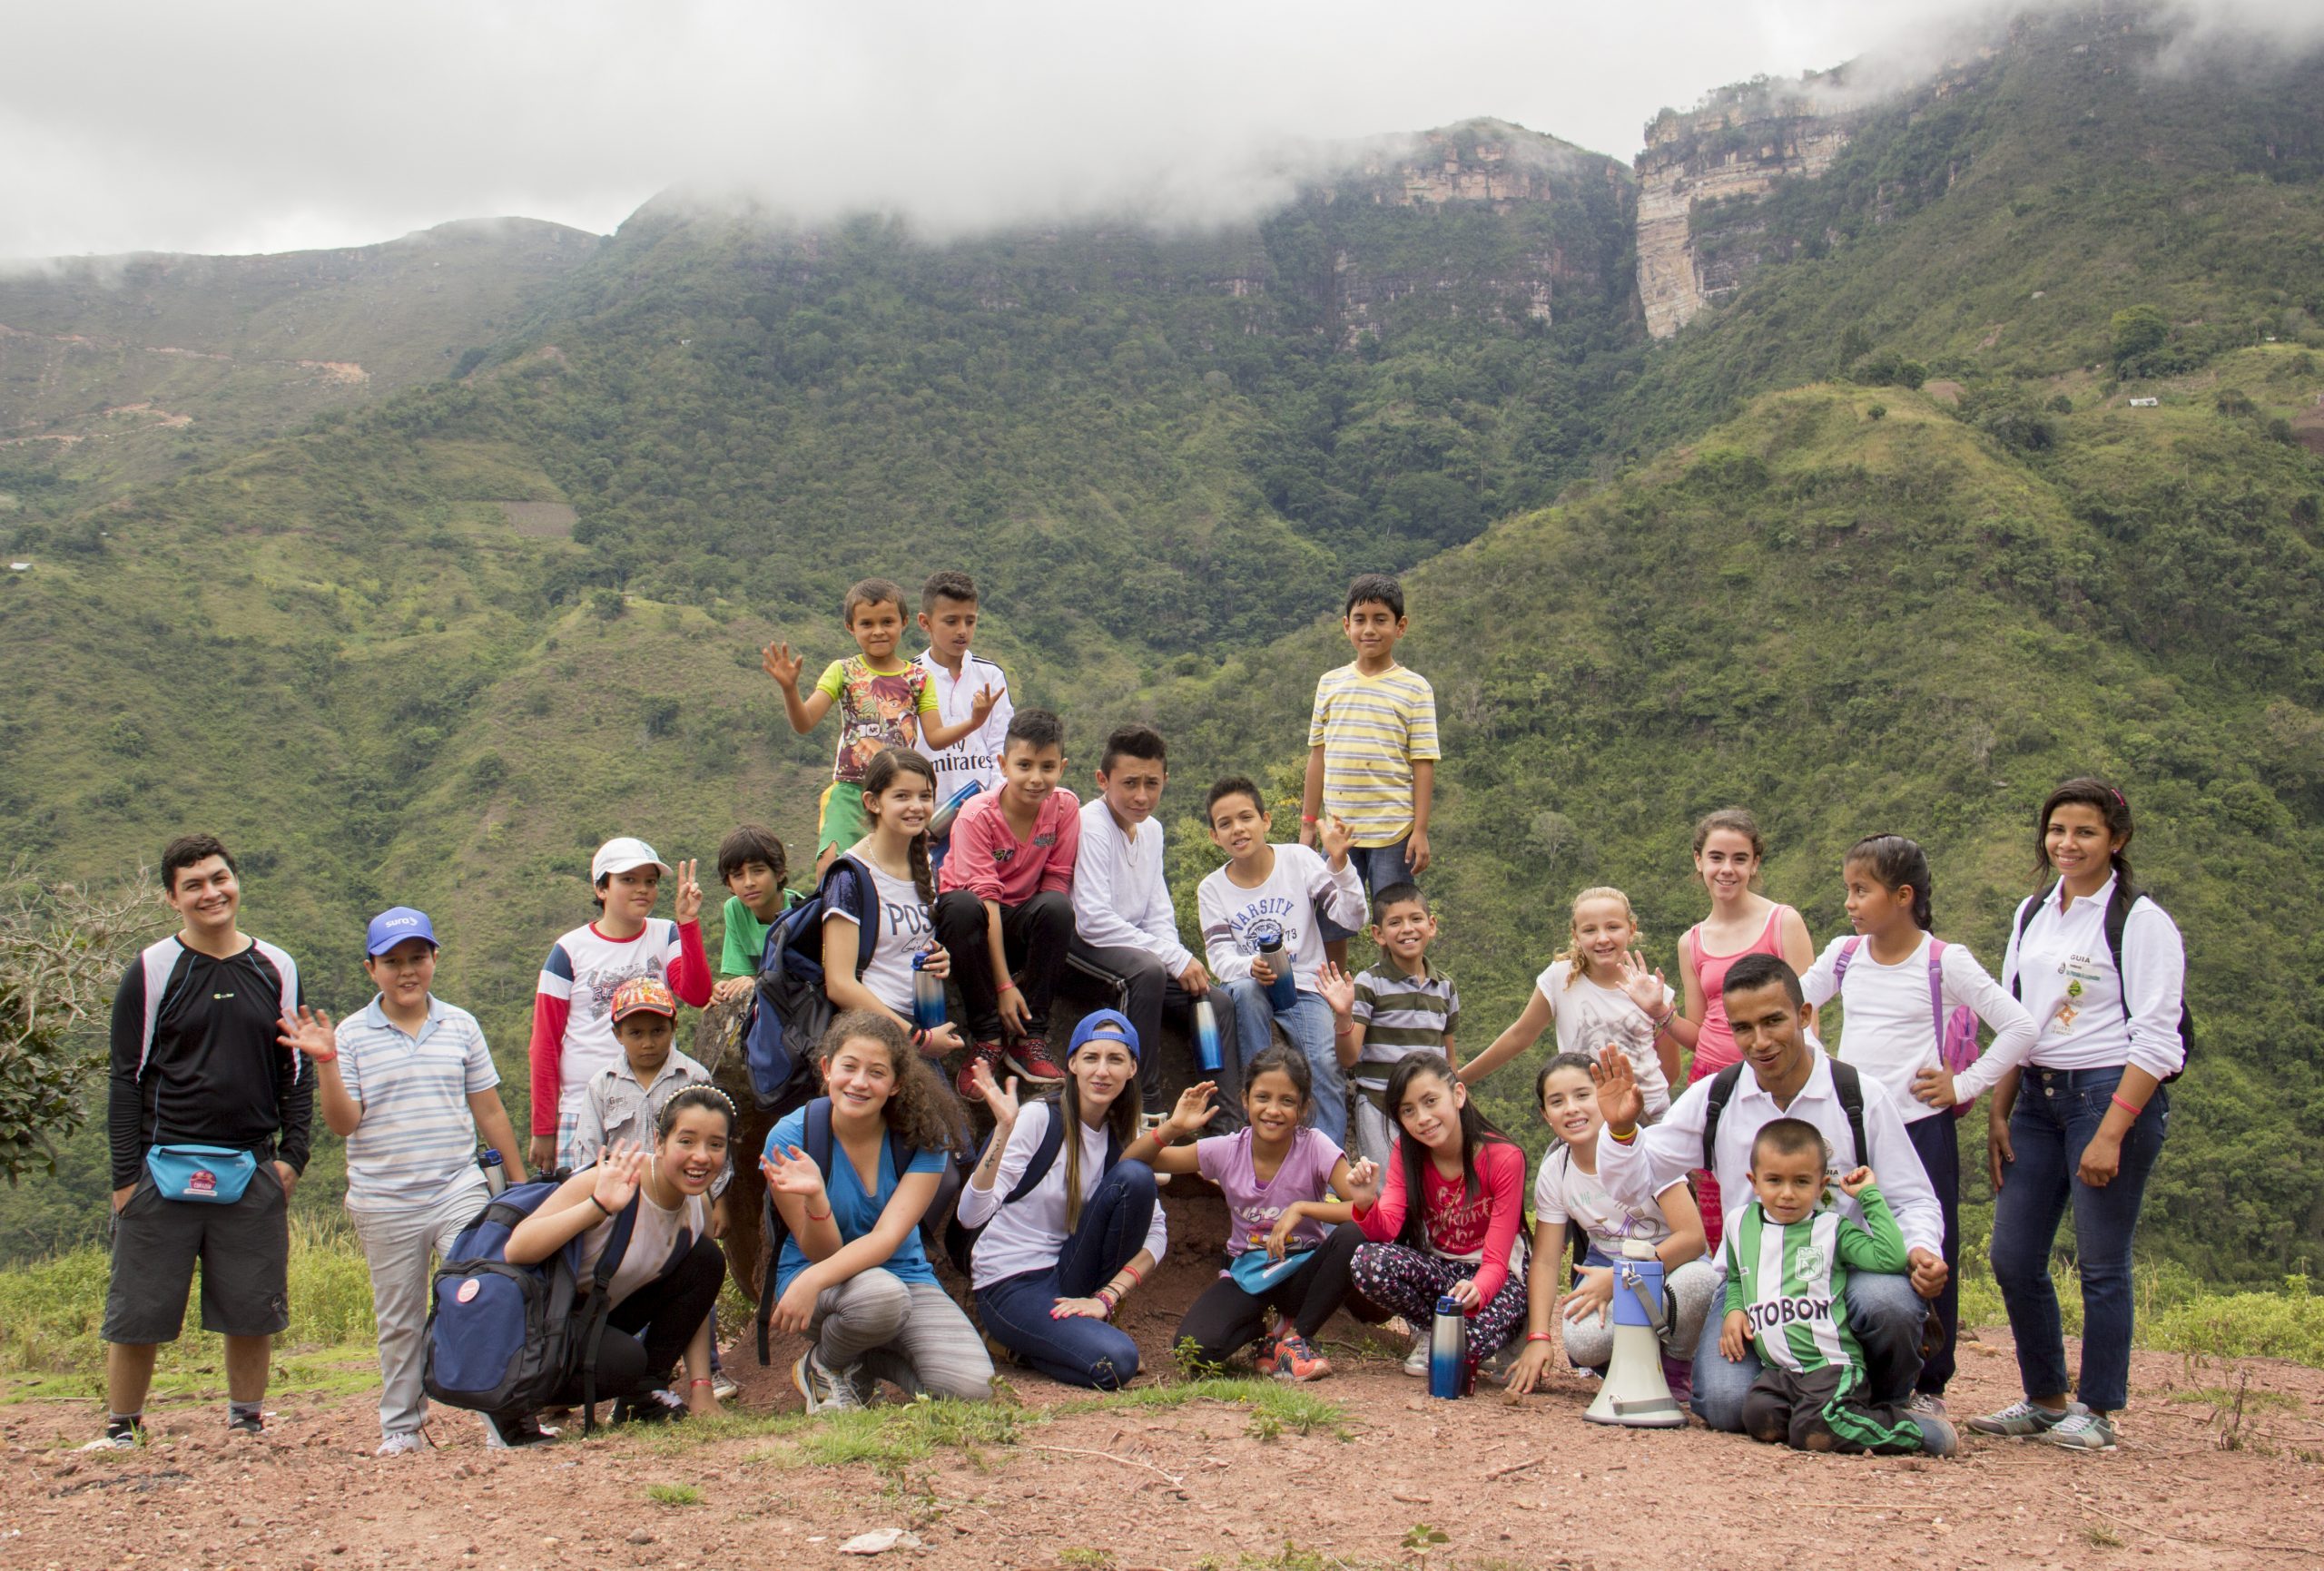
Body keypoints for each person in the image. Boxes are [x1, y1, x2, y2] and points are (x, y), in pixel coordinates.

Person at [1591, 953, 1947, 1435]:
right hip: (1752, 1287)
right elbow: (1633, 1183)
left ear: (1803, 1016)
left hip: (1844, 1275)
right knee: (1722, 1404)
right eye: (1743, 1028)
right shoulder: (1717, 1098)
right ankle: (1819, 1396)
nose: (1759, 1042)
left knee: (1890, 1303)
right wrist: (1621, 1130)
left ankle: (1884, 1399)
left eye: (1773, 1021)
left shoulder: (1857, 1097)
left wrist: (1922, 1247)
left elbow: (1913, 1199)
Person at [1972, 780, 2186, 1453]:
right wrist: (1999, 1112)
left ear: (2116, 840)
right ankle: (2044, 1396)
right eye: (2057, 829)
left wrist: (2113, 1131)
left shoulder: (2139, 919)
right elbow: (2015, 1018)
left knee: (2100, 1260)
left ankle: (2096, 1406)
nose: (2067, 843)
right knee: (2013, 1254)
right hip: (2036, 1098)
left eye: (2085, 831)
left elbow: (2159, 1039)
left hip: (2107, 1094)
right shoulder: (2033, 910)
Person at [275, 907, 527, 1456]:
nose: (407, 971)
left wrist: (515, 1187)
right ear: (372, 970)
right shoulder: (351, 1036)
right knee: (400, 1318)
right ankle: (402, 1428)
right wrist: (326, 1064)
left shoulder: (460, 1024)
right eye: (393, 962)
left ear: (435, 958)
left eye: (417, 958)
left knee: (480, 1299)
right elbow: (345, 1124)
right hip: (384, 1200)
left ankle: (498, 1420)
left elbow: (489, 1110)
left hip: (456, 1187)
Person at [91, 834, 313, 1450]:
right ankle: (122, 1427)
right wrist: (124, 1179)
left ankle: (246, 1419)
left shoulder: (277, 966)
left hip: (250, 1164)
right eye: (193, 884)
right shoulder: (153, 968)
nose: (210, 892)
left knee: (250, 1305)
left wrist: (291, 1159)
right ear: (173, 898)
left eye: (219, 878)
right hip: (160, 1166)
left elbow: (296, 1070)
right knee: (139, 1309)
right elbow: (125, 1075)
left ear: (236, 881)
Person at [1799, 834, 2036, 1413]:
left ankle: (1929, 1383)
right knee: (1841, 1238)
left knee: (1926, 1247)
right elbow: (1794, 1005)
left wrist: (1965, 1083)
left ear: (1903, 896)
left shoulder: (1942, 961)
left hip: (1919, 1127)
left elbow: (2022, 1028)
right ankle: (1854, 1365)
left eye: (1862, 890)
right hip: (1853, 1127)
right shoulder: (1844, 954)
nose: (1851, 903)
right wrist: (1822, 1064)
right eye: (1848, 890)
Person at [763, 1012, 991, 1411]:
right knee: (881, 1298)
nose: (859, 1082)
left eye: (877, 1072)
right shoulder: (791, 1138)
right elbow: (820, 1254)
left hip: (901, 1276)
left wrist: (814, 1277)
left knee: (972, 1392)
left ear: (896, 1084)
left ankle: (854, 1364)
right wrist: (817, 1199)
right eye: (849, 1067)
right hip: (815, 1284)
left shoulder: (923, 1136)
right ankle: (824, 1363)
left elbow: (887, 1240)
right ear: (827, 1068)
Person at [494, 1087, 734, 1440]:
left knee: (705, 1260)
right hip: (536, 1324)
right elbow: (517, 1249)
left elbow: (696, 1299)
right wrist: (598, 1206)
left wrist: (702, 1388)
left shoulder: (697, 1205)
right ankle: (512, 1400)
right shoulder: (612, 1178)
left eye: (715, 1145)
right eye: (687, 1141)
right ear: (659, 1140)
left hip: (595, 1315)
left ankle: (643, 1398)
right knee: (624, 1361)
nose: (701, 1157)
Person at [1716, 1120, 1958, 1457]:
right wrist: (1733, 1309)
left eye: (1801, 1182)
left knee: (1814, 1432)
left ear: (1821, 1186)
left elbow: (1890, 1258)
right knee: (1760, 1419)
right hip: (1780, 1372)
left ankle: (1917, 1431)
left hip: (1829, 1366)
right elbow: (1735, 1278)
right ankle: (1833, 1419)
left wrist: (1869, 1197)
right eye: (1774, 1181)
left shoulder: (1832, 1229)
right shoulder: (1739, 1224)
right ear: (1754, 1182)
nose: (1787, 1193)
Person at [1127, 1046, 1367, 1380]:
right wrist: (1174, 1127)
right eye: (1263, 1097)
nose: (1273, 1110)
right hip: (1248, 1274)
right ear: (1244, 1100)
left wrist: (1302, 1208)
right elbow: (1136, 1160)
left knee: (1354, 1235)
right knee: (1194, 1350)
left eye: (1287, 1101)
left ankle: (1297, 1339)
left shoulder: (1314, 1146)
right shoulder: (1226, 1150)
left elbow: (1364, 1213)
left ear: (1303, 1107)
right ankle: (1267, 1331)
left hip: (1302, 1274)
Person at [956, 1011, 1166, 1389]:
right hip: (1012, 1282)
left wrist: (1106, 1297)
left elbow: (1156, 1233)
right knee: (1117, 1362)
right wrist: (1002, 1132)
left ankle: (1063, 1337)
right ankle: (1019, 1345)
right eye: (1091, 1058)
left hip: (1073, 1273)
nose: (1102, 1071)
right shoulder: (1038, 1118)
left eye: (1115, 1059)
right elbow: (970, 1216)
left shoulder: (1124, 1135)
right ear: (1071, 1064)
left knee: (1136, 1177)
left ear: (1132, 1068)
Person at [1506, 1054, 1716, 1404]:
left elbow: (1693, 1239)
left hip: (1671, 1263)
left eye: (1583, 1095)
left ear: (1604, 1096)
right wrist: (1539, 1336)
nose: (1571, 1109)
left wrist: (1623, 1275)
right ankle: (1630, 1364)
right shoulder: (1557, 1170)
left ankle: (1677, 1367)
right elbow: (1544, 1260)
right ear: (1545, 1115)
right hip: (1606, 1264)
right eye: (1557, 1102)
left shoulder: (1647, 1149)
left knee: (1700, 1283)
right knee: (1583, 1342)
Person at [763, 576, 996, 878]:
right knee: (832, 868)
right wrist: (790, 690)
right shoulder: (843, 671)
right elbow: (805, 723)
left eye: (887, 621)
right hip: (850, 789)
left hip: (898, 794)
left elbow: (936, 738)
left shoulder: (919, 678)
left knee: (899, 875)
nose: (878, 631)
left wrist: (974, 722)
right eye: (867, 624)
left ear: (904, 622)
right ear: (851, 627)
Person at [1068, 723, 1232, 1121]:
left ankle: (1226, 1122)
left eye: (1152, 783)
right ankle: (1145, 1111)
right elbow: (1091, 919)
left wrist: (1178, 958)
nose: (1142, 796)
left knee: (1215, 1001)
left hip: (1135, 951)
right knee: (1149, 971)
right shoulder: (1090, 823)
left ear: (1165, 781)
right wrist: (1170, 960)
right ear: (1103, 780)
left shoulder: (1153, 830)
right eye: (1129, 783)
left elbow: (1157, 910)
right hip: (1084, 949)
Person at [1671, 808, 1816, 1251]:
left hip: (1777, 1081)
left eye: (1739, 858)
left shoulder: (1782, 922)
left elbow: (1808, 1017)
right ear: (1698, 861)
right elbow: (1699, 1030)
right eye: (1716, 857)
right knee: (1721, 1205)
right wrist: (1659, 1014)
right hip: (1713, 1086)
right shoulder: (1692, 940)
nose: (1727, 870)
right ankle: (1731, 1300)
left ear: (1755, 863)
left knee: (1787, 1194)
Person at [1197, 777, 1366, 1146]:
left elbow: (1352, 919)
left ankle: (1327, 1166)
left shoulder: (1298, 859)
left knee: (1323, 1063)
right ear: (1214, 836)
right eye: (1225, 824)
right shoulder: (1212, 888)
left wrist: (1340, 865)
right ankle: (1258, 1141)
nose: (1238, 829)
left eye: (1246, 818)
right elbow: (1220, 957)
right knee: (1243, 989)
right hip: (1252, 988)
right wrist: (1250, 966)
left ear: (1266, 820)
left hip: (1305, 984)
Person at [526, 838, 712, 1175]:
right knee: (588, 1215)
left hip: (659, 1100)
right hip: (584, 1108)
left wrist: (688, 924)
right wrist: (543, 1127)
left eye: (650, 881)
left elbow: (696, 994)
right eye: (628, 880)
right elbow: (545, 1043)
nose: (642, 889)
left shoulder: (665, 934)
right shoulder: (569, 950)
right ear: (602, 889)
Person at [1345, 1054, 1530, 1380]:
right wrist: (1364, 1203)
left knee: (1461, 1348)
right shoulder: (1408, 1152)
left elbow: (1497, 1262)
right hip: (1442, 1268)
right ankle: (1433, 1330)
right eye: (1408, 1110)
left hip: (1495, 1276)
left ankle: (1509, 1330)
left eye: (1431, 1101)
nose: (1423, 1118)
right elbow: (1386, 1231)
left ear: (1458, 1095)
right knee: (1367, 1263)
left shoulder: (1504, 1158)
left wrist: (1479, 1291)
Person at [934, 708, 1079, 1093]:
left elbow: (1056, 882)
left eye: (1047, 767)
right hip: (973, 924)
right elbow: (987, 902)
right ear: (1002, 764)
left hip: (1019, 920)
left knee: (1057, 907)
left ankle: (1030, 1036)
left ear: (1061, 767)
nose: (1036, 778)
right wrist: (1002, 986)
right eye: (1024, 765)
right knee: (962, 908)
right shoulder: (976, 816)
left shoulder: (1064, 807)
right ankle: (987, 1038)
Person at [1299, 573, 1440, 966]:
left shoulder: (1414, 688)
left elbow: (1423, 761)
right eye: (1360, 619)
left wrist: (1421, 830)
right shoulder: (1330, 684)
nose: (1369, 629)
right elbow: (1318, 756)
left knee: (1395, 918)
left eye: (1381, 619)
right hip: (1339, 830)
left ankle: (1391, 994)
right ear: (1347, 626)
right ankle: (1336, 999)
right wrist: (1309, 824)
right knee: (1331, 919)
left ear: (1400, 627)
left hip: (1393, 830)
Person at [1461, 887, 1679, 1118]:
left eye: (1613, 927)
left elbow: (1670, 1069)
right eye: (1590, 930)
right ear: (1576, 935)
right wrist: (1459, 1079)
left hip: (1651, 1117)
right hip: (1586, 1117)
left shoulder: (1653, 989)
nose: (1602, 938)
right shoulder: (1560, 979)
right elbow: (1520, 1035)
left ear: (1631, 930)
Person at [819, 747, 965, 1059]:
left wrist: (941, 958)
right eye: (901, 796)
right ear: (873, 802)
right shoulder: (850, 875)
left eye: (925, 796)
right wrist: (917, 1039)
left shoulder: (924, 862)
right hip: (875, 1033)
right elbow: (840, 983)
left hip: (922, 1021)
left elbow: (909, 944)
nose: (916, 806)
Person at [1316, 883, 1459, 1172]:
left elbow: (1448, 1057)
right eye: (1395, 922)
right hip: (1381, 1106)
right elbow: (1348, 1058)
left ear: (1431, 925)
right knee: (1388, 1188)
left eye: (1416, 919)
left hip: (1430, 1106)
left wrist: (1454, 1101)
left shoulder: (1444, 987)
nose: (1407, 929)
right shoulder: (1369, 984)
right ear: (1379, 934)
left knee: (1432, 1181)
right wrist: (1344, 1016)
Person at [912, 570, 1014, 873]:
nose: (962, 631)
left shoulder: (990, 675)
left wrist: (994, 801)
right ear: (925, 622)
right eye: (951, 621)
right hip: (930, 826)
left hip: (984, 817)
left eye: (970, 621)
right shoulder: (910, 677)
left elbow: (1003, 744)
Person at [713, 824, 793, 1005]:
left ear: (779, 873)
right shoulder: (734, 910)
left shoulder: (800, 914)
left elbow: (801, 981)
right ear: (729, 884)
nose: (749, 883)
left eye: (758, 871)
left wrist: (755, 982)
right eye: (738, 875)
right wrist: (728, 988)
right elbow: (746, 975)